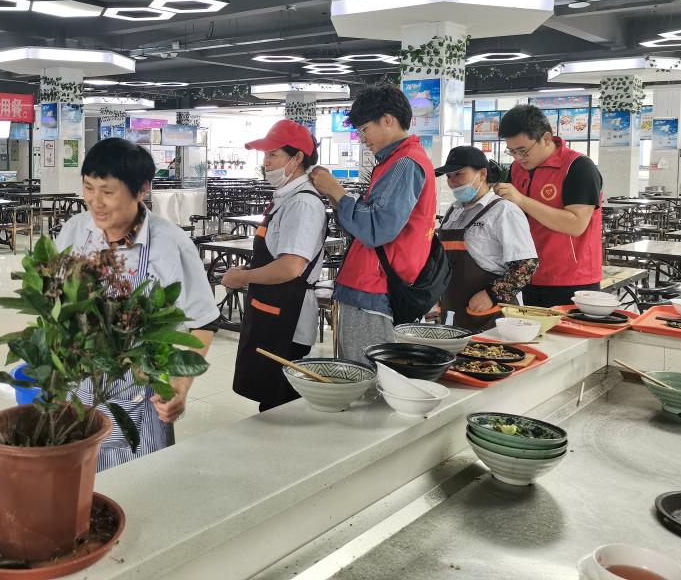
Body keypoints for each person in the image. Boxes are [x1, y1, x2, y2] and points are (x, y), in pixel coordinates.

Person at [57, 138, 218, 470]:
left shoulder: (169, 243)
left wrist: (180, 385)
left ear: (142, 189)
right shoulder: (76, 231)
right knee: (78, 481)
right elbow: (56, 302)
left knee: (137, 485)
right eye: (88, 188)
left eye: (108, 191)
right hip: (78, 387)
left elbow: (204, 321)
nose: (95, 202)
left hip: (139, 394)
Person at [309, 83, 437, 363]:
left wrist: (337, 192)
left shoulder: (405, 163)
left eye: (365, 129)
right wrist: (337, 198)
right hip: (369, 286)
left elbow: (377, 228)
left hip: (374, 288)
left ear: (387, 120)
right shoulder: (395, 161)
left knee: (366, 376)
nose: (362, 139)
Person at [222, 120, 327, 411]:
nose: (265, 162)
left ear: (297, 158)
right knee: (269, 398)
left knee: (280, 405)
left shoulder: (303, 204)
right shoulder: (287, 197)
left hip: (288, 318)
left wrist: (243, 278)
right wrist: (247, 273)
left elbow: (290, 267)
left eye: (273, 155)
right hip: (272, 310)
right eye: (264, 155)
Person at [494, 104, 603, 308]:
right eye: (512, 152)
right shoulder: (518, 169)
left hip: (572, 280)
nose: (518, 158)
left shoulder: (578, 167)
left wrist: (521, 200)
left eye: (523, 151)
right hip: (529, 275)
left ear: (545, 138)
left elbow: (576, 224)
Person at [435, 146, 539, 333]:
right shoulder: (453, 211)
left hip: (493, 315)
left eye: (459, 174)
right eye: (449, 176)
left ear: (482, 174)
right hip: (452, 312)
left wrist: (492, 294)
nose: (452, 182)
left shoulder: (504, 211)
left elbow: (527, 265)